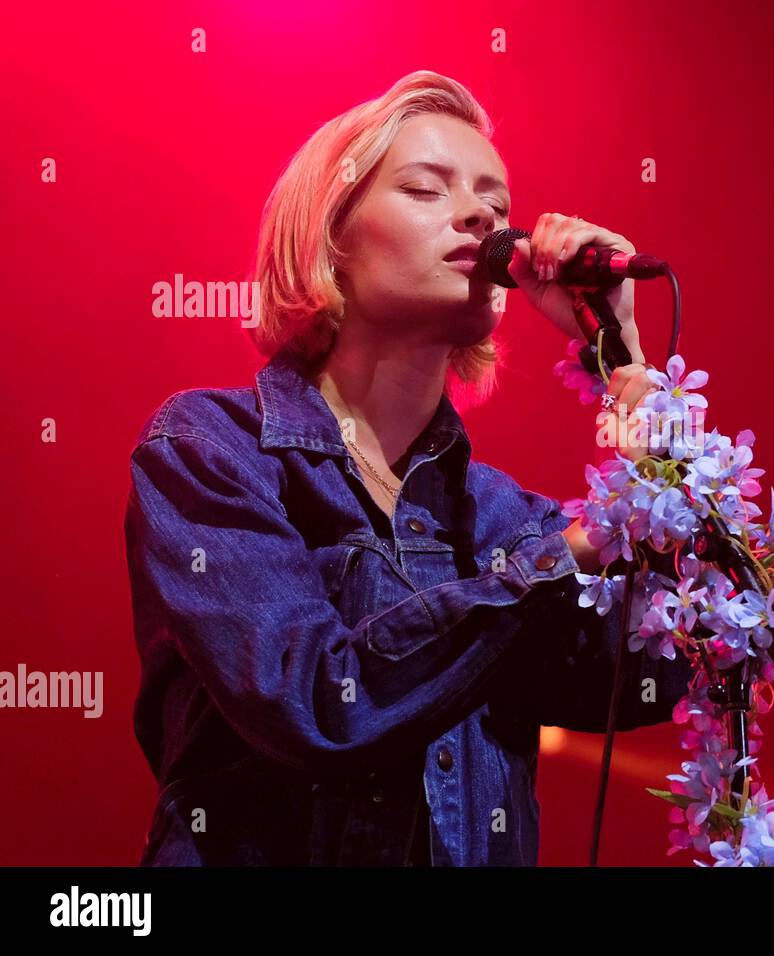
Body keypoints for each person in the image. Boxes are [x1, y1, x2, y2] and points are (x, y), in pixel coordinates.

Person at [123, 70, 692, 866]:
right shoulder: (211, 448)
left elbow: (651, 675)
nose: (482, 217)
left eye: (496, 202)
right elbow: (315, 703)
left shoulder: (499, 517)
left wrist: (624, 364)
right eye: (427, 189)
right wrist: (570, 552)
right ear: (330, 239)